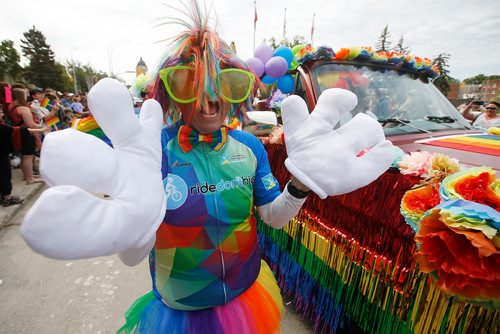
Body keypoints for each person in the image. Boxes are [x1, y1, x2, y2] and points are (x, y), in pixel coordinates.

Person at [20, 2, 394, 333]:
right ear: (172, 96)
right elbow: (133, 248)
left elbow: (272, 217)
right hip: (180, 310)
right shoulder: (152, 151)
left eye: (225, 87)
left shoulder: (249, 147)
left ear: (237, 94)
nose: (209, 102)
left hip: (245, 299)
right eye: (190, 87)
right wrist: (131, 226)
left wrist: (300, 186)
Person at [7, 88, 45, 184]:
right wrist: (42, 126)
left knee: (25, 156)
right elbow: (31, 124)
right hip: (26, 133)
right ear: (21, 95)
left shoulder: (12, 106)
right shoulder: (23, 108)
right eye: (25, 94)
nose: (27, 96)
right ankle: (30, 178)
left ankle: (27, 176)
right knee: (28, 156)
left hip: (18, 132)